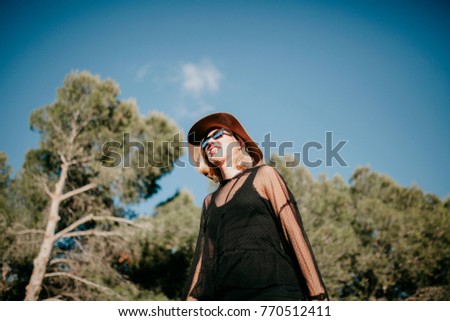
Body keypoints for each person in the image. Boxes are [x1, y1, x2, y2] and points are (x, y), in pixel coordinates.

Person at [184, 112, 328, 301]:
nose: (209, 142)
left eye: (218, 134)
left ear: (239, 143)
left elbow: (294, 233)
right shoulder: (209, 202)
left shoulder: (264, 176)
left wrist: (318, 296)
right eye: (204, 142)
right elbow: (202, 263)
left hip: (275, 292)